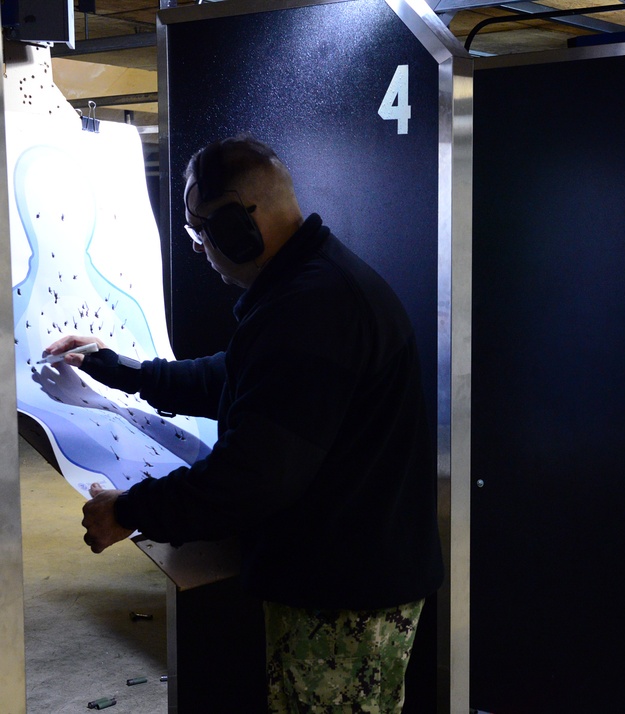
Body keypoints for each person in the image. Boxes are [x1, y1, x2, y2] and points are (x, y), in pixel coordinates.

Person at [45, 135, 443, 712]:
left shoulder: (311, 309)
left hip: (341, 598)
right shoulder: (311, 286)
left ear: (236, 228)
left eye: (200, 234)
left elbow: (252, 477)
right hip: (351, 584)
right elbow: (239, 376)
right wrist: (127, 371)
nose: (202, 249)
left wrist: (129, 512)